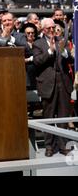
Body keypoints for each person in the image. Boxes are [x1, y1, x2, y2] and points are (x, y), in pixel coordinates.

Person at [33, 18, 73, 157]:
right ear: (43, 29)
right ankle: (49, 146)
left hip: (63, 83)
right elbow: (37, 62)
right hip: (48, 84)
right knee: (48, 116)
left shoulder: (61, 40)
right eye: (48, 28)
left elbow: (70, 59)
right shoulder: (38, 43)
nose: (52, 30)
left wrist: (63, 52)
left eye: (53, 27)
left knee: (63, 115)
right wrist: (50, 51)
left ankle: (62, 145)